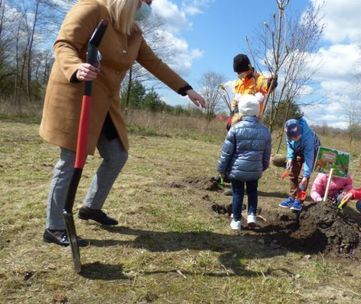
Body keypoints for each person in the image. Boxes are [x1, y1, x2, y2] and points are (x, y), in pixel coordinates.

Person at [39, 0, 207, 246]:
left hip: (106, 102)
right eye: (144, 2)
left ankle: (90, 207)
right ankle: (53, 227)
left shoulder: (134, 32)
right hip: (78, 94)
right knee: (70, 160)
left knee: (117, 155)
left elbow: (154, 63)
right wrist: (76, 67)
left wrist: (186, 89)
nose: (147, 7)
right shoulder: (91, 9)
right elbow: (64, 44)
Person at [217, 95, 272, 230]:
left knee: (238, 193)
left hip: (237, 170)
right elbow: (267, 154)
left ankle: (236, 221)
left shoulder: (235, 129)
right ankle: (252, 215)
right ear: (257, 111)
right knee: (253, 191)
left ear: (241, 110)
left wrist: (221, 169)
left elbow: (227, 152)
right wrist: (262, 167)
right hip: (255, 169)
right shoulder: (265, 131)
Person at [278, 118, 320, 211]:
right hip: (298, 150)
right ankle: (291, 199)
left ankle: (299, 201)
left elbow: (309, 158)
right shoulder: (288, 132)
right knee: (293, 174)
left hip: (311, 151)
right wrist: (289, 158)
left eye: (298, 135)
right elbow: (290, 145)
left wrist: (306, 175)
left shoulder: (307, 137)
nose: (297, 137)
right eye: (294, 136)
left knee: (303, 178)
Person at [228, 54, 277, 128]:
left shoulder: (259, 79)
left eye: (240, 72)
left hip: (252, 122)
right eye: (237, 73)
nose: (238, 75)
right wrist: (232, 116)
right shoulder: (239, 82)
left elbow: (267, 86)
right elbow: (235, 99)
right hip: (237, 119)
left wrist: (271, 83)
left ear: (248, 69)